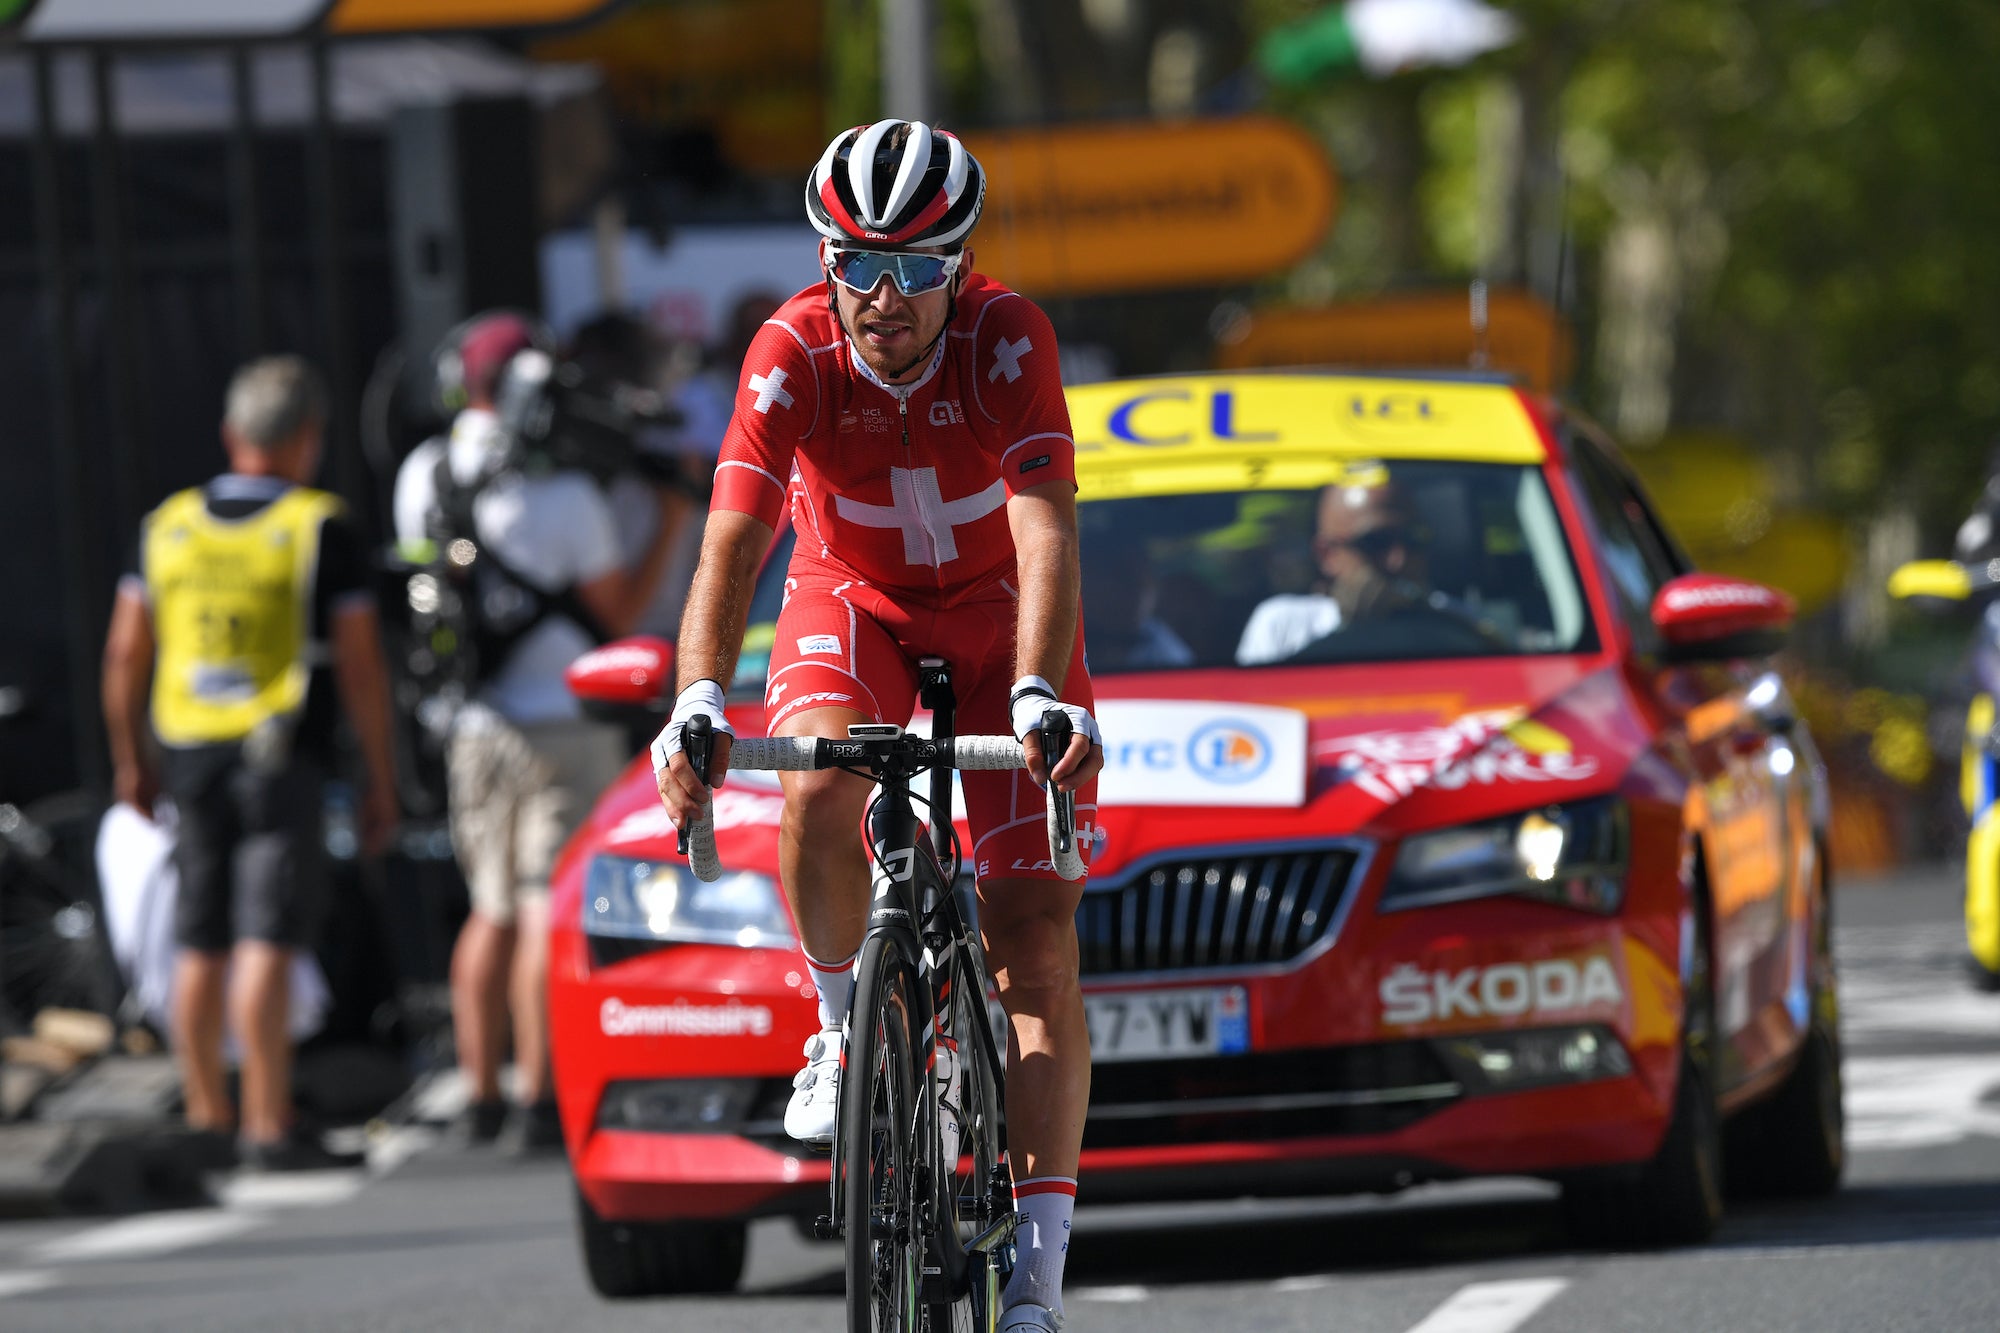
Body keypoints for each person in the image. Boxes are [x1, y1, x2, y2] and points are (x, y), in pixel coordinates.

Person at [651, 120, 1105, 1333]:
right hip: (853, 600)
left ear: (960, 262)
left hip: (1000, 613)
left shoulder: (1009, 337)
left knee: (1034, 944)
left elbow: (1045, 526)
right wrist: (696, 695)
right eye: (855, 263)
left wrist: (1038, 692)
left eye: (914, 267)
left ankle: (1037, 1284)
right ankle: (845, 1029)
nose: (882, 296)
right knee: (812, 788)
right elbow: (734, 541)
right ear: (823, 258)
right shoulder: (790, 347)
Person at [392, 313, 684, 1154]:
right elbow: (620, 612)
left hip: (473, 721)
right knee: (540, 908)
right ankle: (537, 1096)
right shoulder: (567, 498)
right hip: (565, 718)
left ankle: (478, 1090)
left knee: (487, 910)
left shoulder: (427, 471)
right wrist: (666, 517)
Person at [101, 356, 398, 1172]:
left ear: (232, 435)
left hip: (187, 750)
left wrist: (131, 757)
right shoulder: (317, 525)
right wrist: (380, 772)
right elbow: (362, 665)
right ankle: (268, 1119)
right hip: (280, 753)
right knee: (267, 930)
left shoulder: (168, 525)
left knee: (199, 935)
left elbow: (125, 653)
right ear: (309, 438)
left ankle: (208, 1113)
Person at [1236, 469, 1421, 665]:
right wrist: (1350, 627)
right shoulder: (1283, 625)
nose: (1398, 560)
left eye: (1413, 540)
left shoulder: (1449, 624)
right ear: (1326, 555)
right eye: (1376, 543)